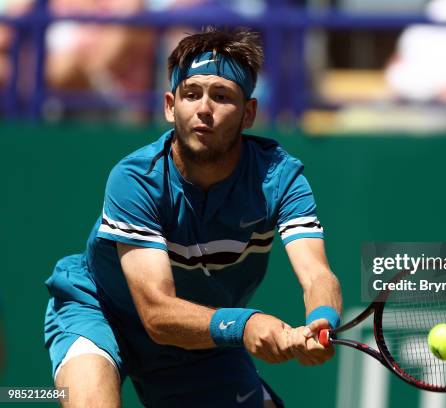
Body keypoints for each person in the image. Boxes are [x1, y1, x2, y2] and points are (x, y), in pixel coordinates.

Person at [43, 26, 343, 407]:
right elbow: (155, 311)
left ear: (249, 113)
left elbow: (317, 273)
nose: (204, 108)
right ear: (171, 105)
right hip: (101, 310)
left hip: (199, 336)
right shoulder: (136, 178)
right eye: (191, 94)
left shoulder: (280, 177)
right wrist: (246, 324)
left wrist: (321, 320)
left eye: (221, 96)